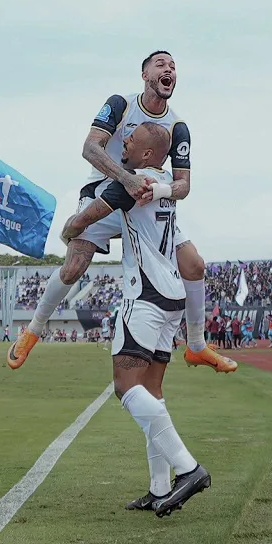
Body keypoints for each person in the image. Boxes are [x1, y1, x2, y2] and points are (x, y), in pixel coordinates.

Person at [7, 51, 236, 375]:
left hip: (146, 196)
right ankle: (33, 329)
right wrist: (125, 179)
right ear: (144, 75)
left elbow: (184, 185)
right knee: (73, 267)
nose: (168, 69)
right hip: (105, 189)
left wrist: (156, 189)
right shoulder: (121, 104)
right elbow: (90, 147)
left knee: (194, 265)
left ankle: (197, 346)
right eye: (161, 64)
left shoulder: (177, 127)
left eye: (173, 66)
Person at [58, 121, 210, 516]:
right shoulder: (163, 183)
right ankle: (160, 488)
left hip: (143, 295)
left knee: (126, 389)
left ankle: (188, 469)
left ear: (145, 154)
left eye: (131, 138)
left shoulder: (131, 182)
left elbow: (83, 221)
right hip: (173, 296)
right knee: (152, 392)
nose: (123, 139)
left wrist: (69, 229)